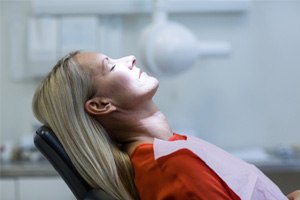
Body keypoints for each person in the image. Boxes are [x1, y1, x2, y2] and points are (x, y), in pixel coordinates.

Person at [32, 51, 299, 200]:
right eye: (111, 66)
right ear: (101, 105)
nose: (131, 58)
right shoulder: (170, 167)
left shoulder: (170, 150)